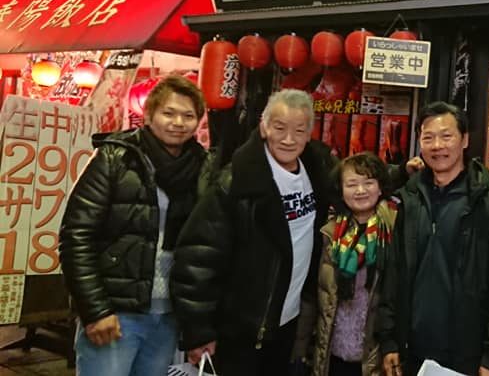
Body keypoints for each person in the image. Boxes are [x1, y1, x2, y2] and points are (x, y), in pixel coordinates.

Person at [171, 89, 337, 376]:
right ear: (263, 127)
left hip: (286, 322)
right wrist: (198, 331)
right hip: (239, 328)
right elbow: (197, 257)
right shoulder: (236, 181)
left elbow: (358, 183)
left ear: (309, 134)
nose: (289, 139)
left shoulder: (316, 170)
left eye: (299, 130)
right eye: (279, 128)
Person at [60, 74, 208, 376]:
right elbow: (76, 236)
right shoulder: (115, 158)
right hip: (116, 314)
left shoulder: (201, 167)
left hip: (168, 316)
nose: (178, 122)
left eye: (188, 115)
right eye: (169, 113)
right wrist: (95, 310)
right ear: (149, 115)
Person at [377, 102, 489, 376]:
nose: (437, 146)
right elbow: (394, 272)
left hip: (467, 354)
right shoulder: (411, 197)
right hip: (413, 349)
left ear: (464, 139)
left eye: (446, 136)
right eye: (428, 137)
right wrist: (389, 340)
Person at [295, 152, 400, 376]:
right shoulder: (329, 234)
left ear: (380, 187)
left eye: (368, 182)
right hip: (331, 354)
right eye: (352, 184)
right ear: (341, 191)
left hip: (374, 358)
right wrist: (300, 350)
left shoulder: (394, 231)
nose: (360, 190)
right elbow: (313, 295)